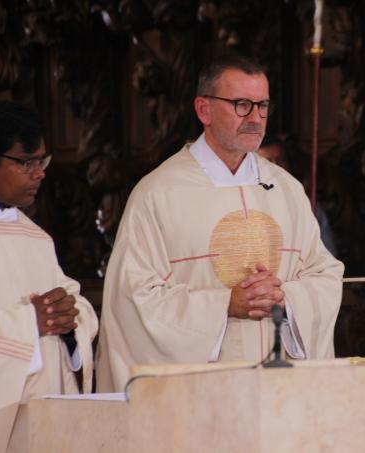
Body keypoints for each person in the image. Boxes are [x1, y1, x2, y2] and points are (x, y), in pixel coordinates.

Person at [96, 54, 344, 392]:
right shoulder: (158, 194)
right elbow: (132, 299)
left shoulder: (287, 189)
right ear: (203, 109)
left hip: (281, 387)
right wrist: (223, 305)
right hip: (200, 392)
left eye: (263, 106)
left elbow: (324, 273)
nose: (256, 118)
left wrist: (285, 298)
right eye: (242, 105)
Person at [0, 101, 98, 452]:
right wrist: (29, 323)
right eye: (27, 162)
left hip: (45, 420)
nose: (40, 173)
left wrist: (70, 319)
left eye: (43, 161)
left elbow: (74, 303)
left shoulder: (34, 236)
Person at [257, 135, 338, 257]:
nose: (276, 168)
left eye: (281, 160)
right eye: (268, 162)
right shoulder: (243, 203)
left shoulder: (306, 204)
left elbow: (328, 255)